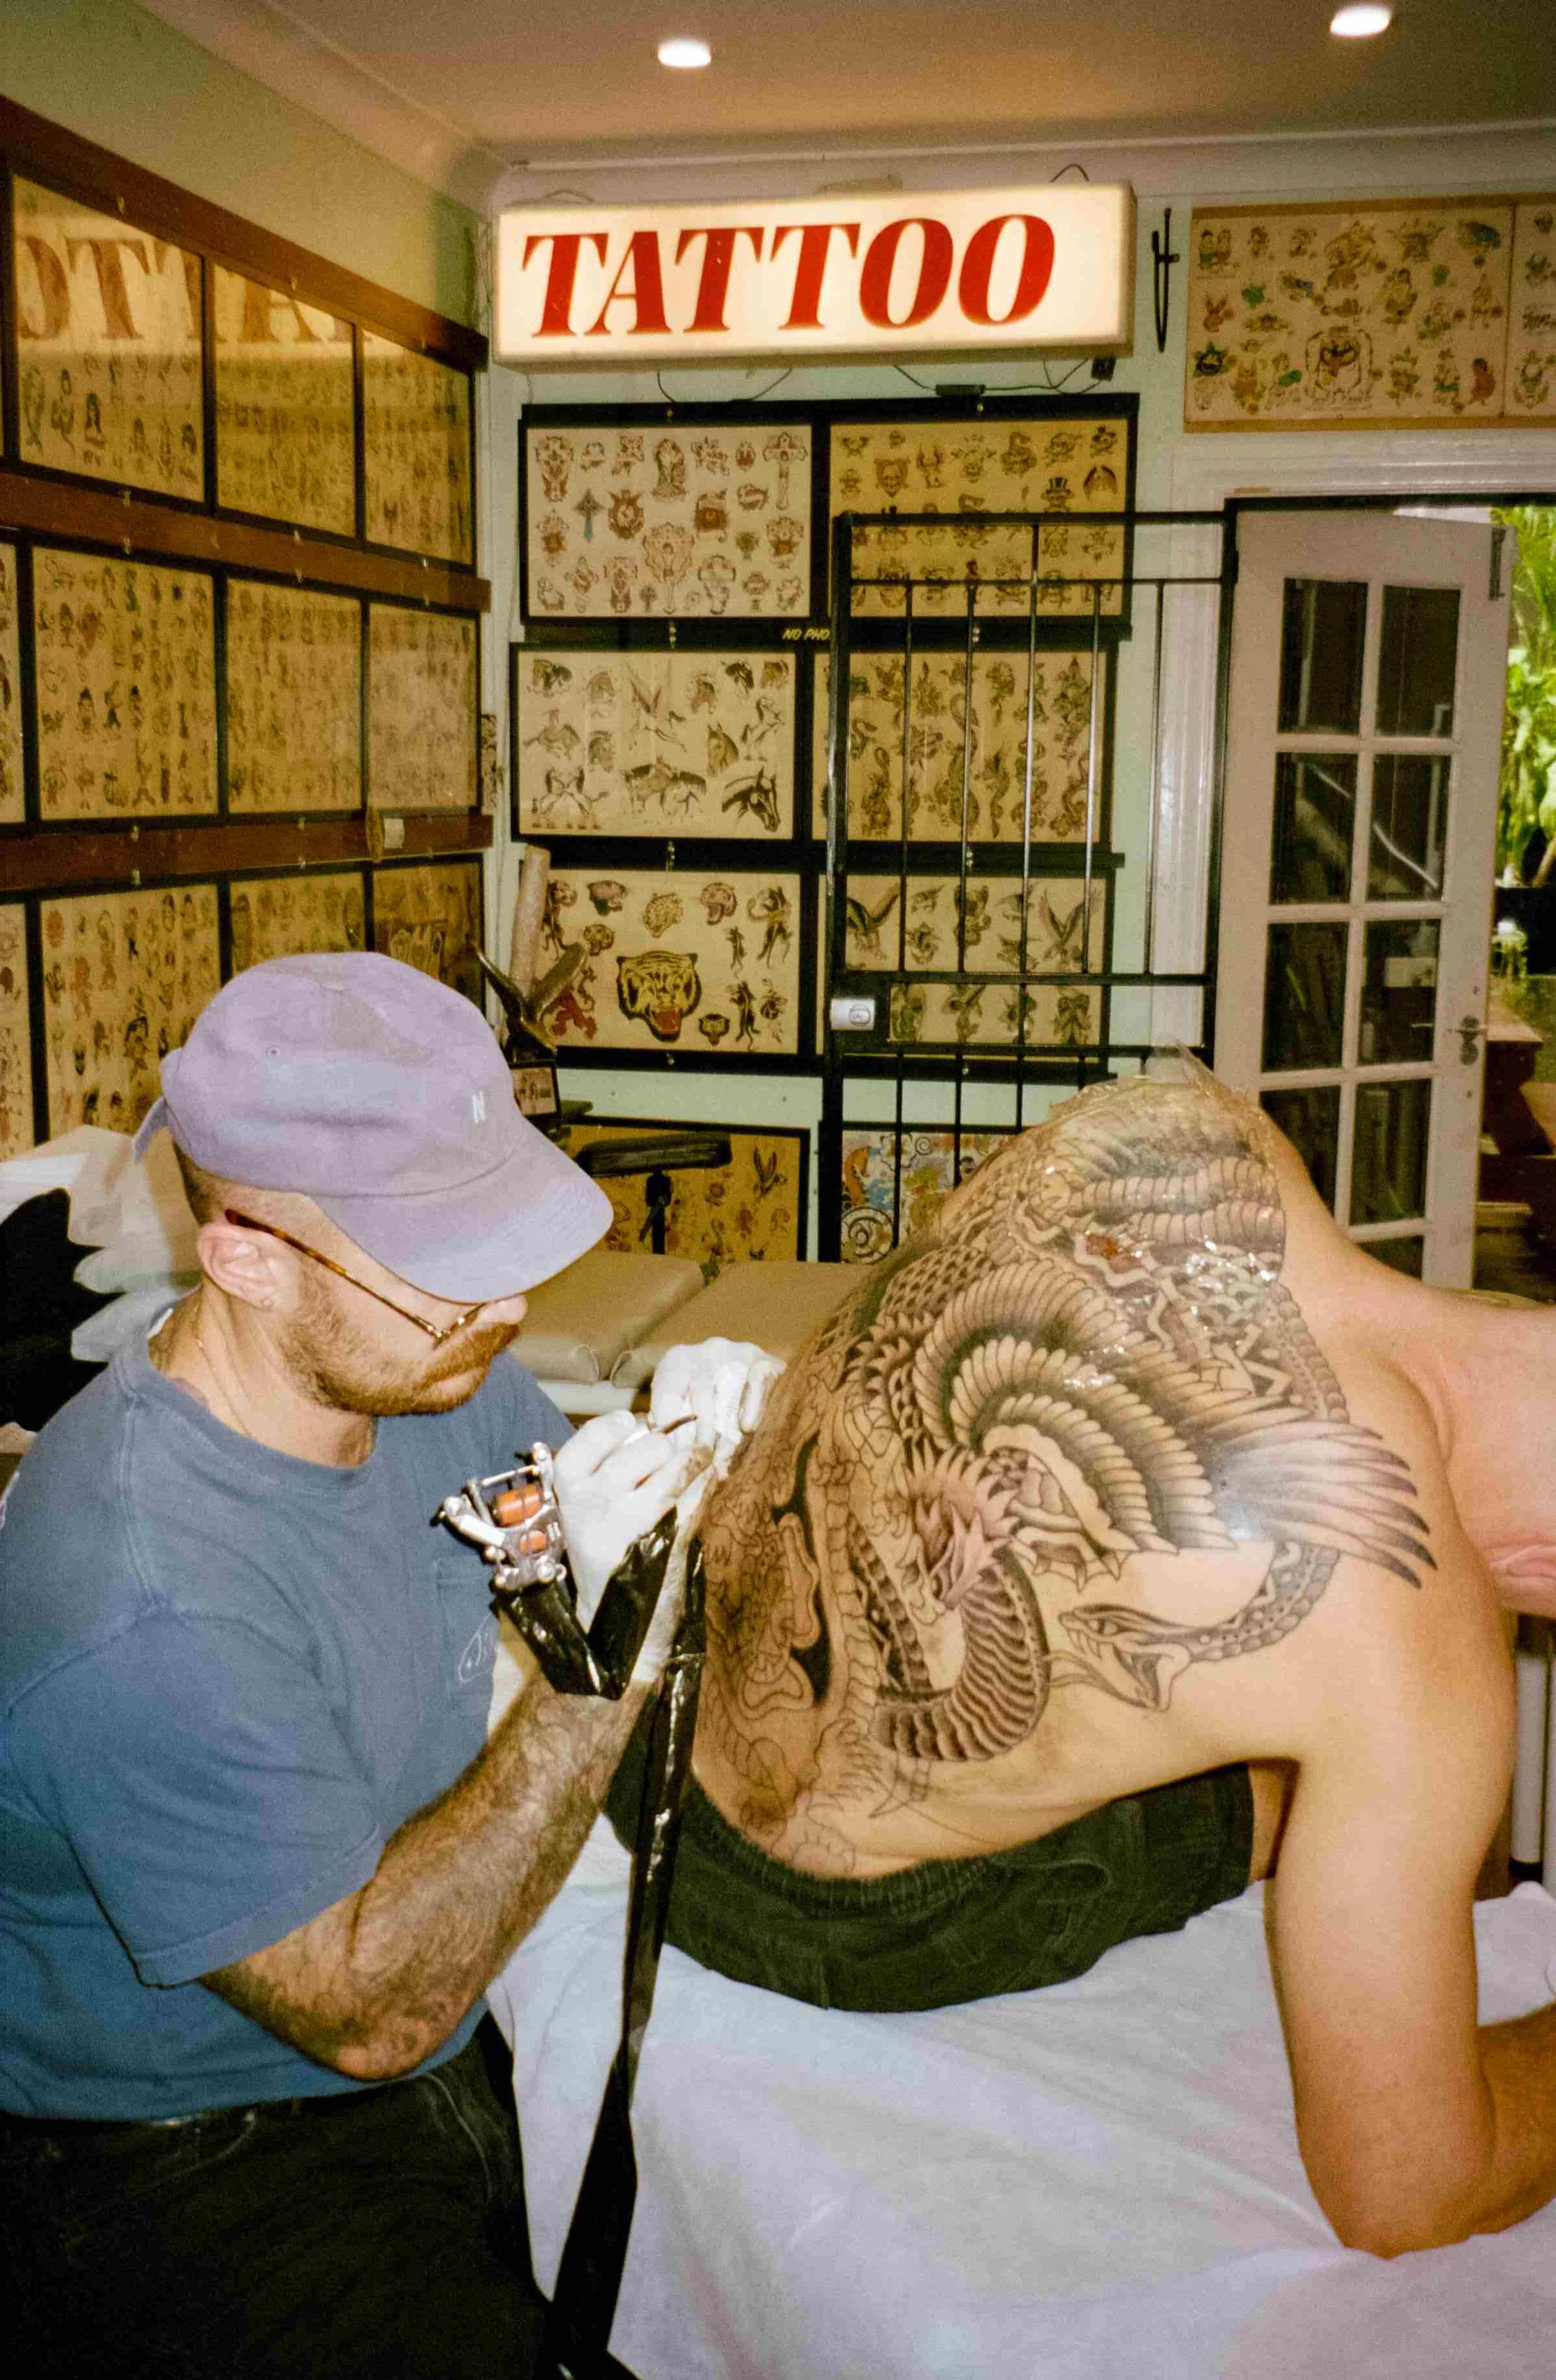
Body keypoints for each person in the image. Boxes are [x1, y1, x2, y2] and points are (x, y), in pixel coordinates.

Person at [612, 1059, 1556, 2260]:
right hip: (786, 1903)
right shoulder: (1416, 1633)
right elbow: (1406, 2194)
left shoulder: (1194, 1123)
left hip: (667, 1677)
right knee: (1347, 1782)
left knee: (1315, 1751)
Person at [0, 951, 739, 2379]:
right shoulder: (140, 1593)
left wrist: (712, 1464)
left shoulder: (425, 1380)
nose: (507, 1307)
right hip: (172, 2146)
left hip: (430, 2034)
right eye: (445, 1266)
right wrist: (598, 1672)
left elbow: (556, 1540)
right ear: (247, 1256)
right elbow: (370, 2011)